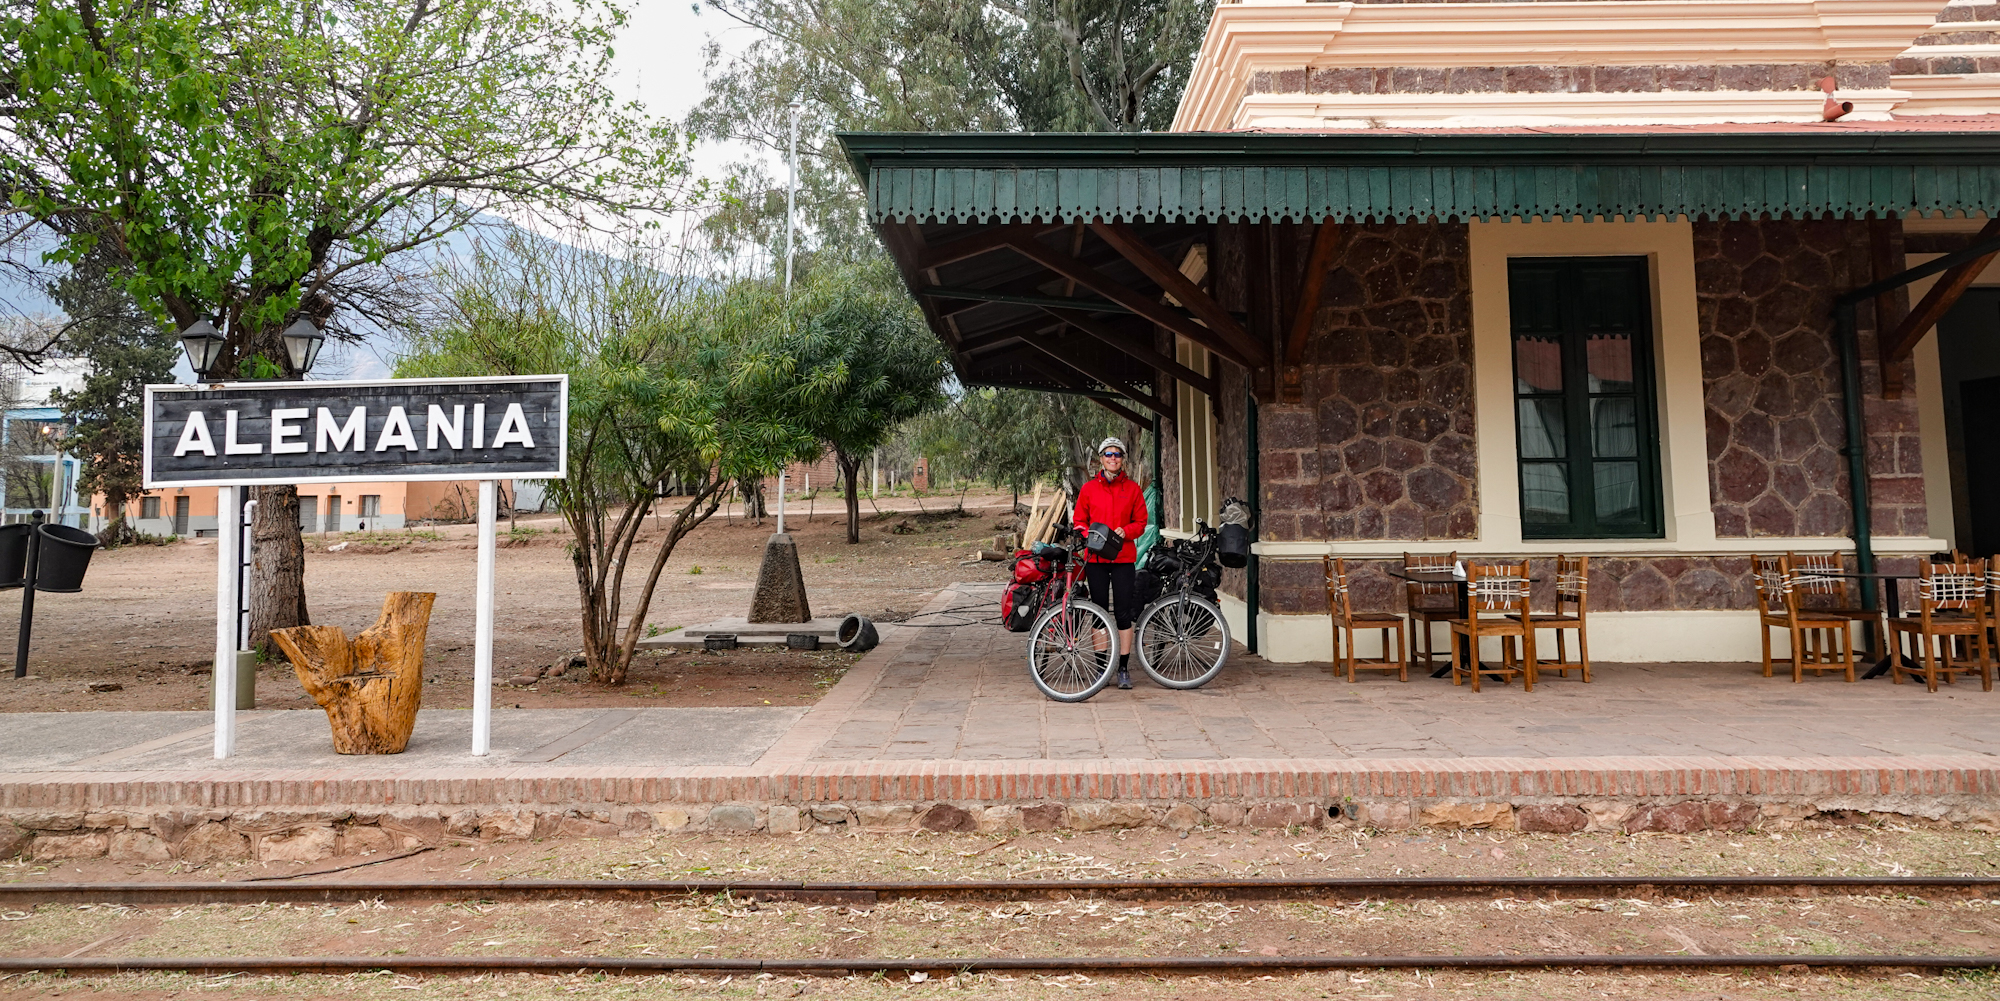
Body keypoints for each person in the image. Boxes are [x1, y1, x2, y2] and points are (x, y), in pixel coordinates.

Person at [1072, 436, 1150, 689]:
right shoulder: (1089, 489)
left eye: (1117, 454)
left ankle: (1124, 668)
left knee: (1123, 613)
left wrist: (1125, 532)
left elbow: (1141, 522)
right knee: (1098, 612)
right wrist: (1089, 535)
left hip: (1123, 558)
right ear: (1101, 459)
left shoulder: (1133, 489)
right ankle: (1101, 668)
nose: (1113, 458)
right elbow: (1079, 521)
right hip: (1095, 559)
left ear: (1122, 459)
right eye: (1108, 454)